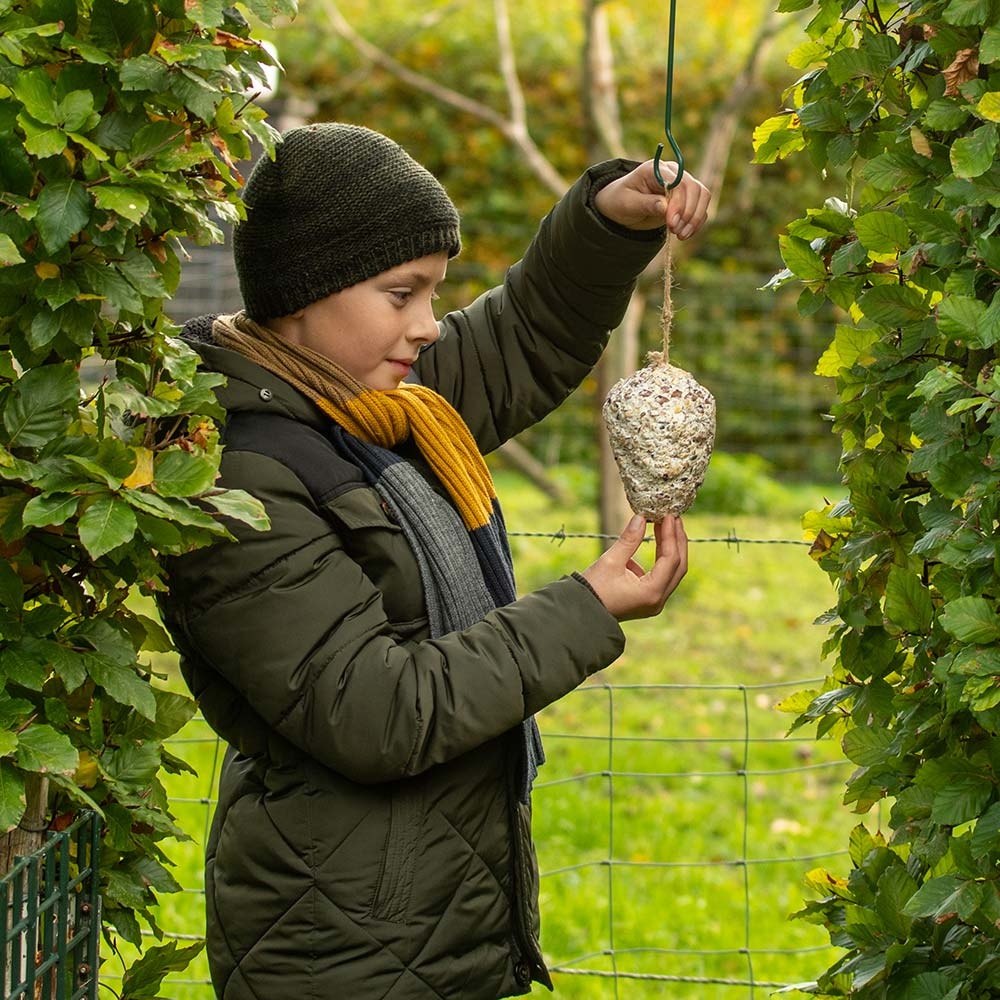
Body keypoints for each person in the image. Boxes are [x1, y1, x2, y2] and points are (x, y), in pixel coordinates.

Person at [159, 121, 710, 1000]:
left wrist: (608, 219)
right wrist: (585, 609)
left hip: (425, 914)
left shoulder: (381, 410)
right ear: (307, 292)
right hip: (335, 944)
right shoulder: (236, 477)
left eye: (434, 295)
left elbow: (528, 332)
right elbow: (376, 708)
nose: (425, 327)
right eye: (402, 294)